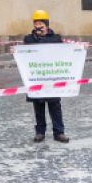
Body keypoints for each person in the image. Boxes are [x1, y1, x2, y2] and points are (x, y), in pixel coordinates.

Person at [23, 10, 69, 143]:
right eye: (36, 24)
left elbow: (64, 54)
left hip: (52, 78)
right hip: (37, 77)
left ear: (47, 25)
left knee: (55, 105)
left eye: (41, 25)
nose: (38, 27)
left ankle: (59, 132)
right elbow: (25, 54)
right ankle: (40, 132)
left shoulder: (56, 38)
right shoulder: (29, 39)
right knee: (38, 106)